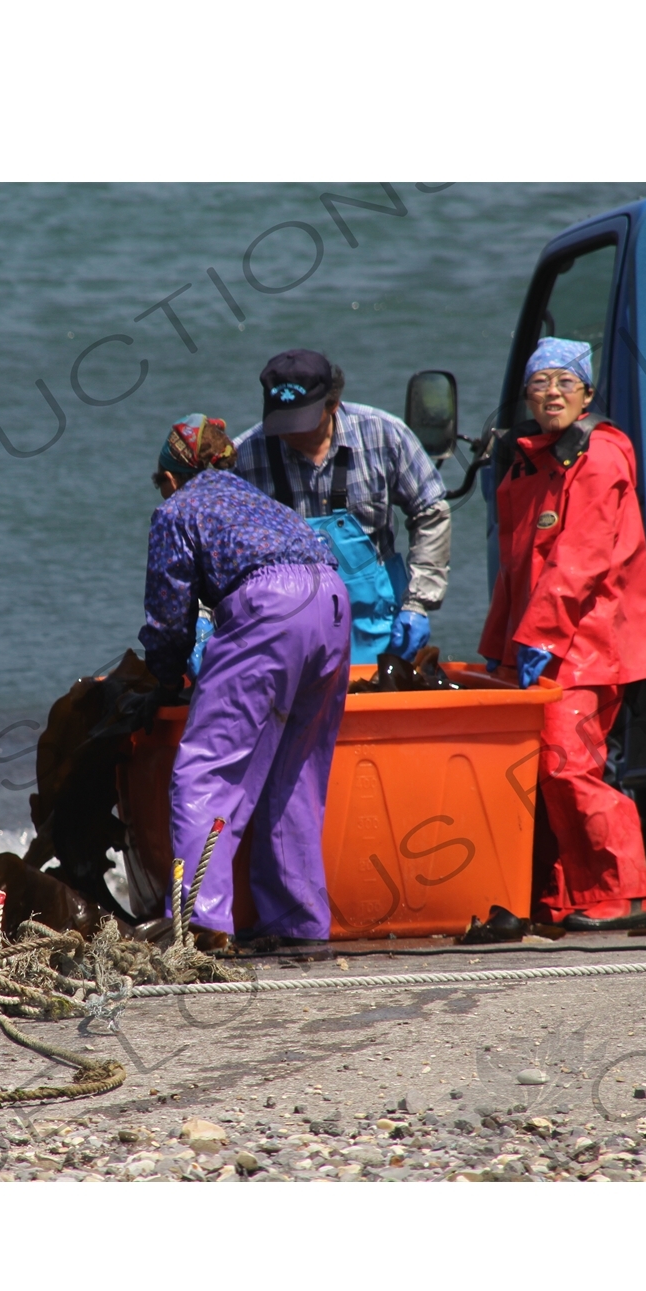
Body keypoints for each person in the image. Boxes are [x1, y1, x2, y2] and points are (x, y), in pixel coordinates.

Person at [138, 414, 351, 946]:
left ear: (170, 478)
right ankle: (299, 924)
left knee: (206, 771)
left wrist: (164, 678)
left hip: (269, 606)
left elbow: (168, 618)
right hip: (332, 602)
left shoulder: (177, 509)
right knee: (296, 772)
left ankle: (201, 925)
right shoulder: (266, 505)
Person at [479, 338, 646, 932]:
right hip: (546, 641)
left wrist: (541, 638)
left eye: (563, 382)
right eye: (539, 383)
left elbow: (581, 559)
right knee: (547, 769)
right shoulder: (533, 458)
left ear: (586, 393)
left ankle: (625, 894)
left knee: (568, 766)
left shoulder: (599, 455)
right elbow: (517, 564)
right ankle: (573, 893)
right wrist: (502, 646)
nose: (551, 393)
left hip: (587, 643)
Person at [233, 348, 451, 663]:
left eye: (300, 421)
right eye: (281, 422)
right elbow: (213, 543)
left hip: (377, 628)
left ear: (333, 404)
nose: (290, 432)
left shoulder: (385, 436)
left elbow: (431, 512)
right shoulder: (244, 458)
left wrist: (418, 602)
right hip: (284, 638)